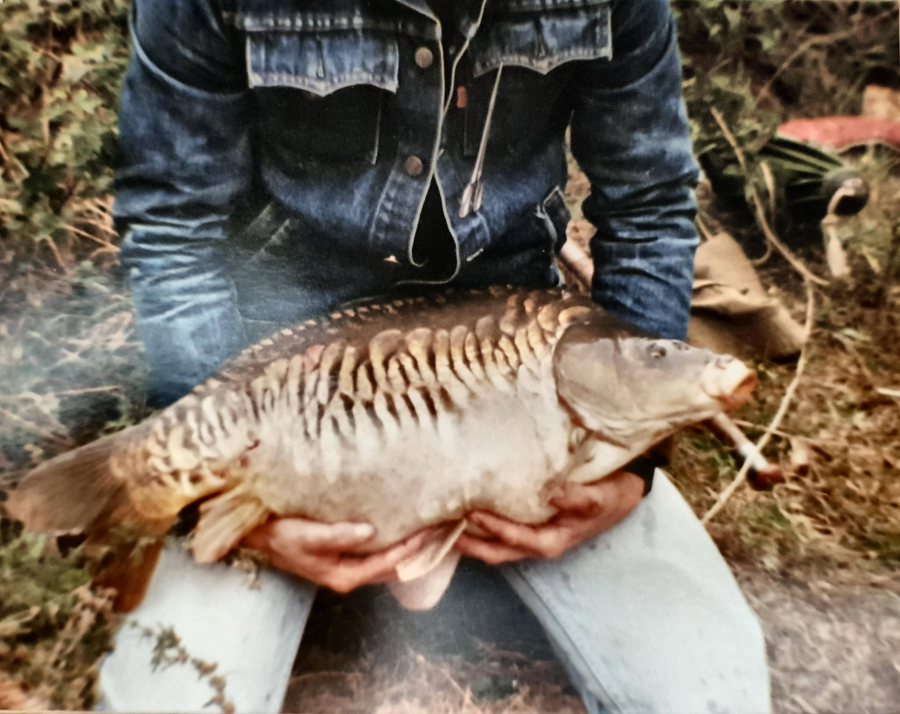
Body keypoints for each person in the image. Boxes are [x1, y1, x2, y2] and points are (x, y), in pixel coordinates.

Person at [100, 0, 771, 711]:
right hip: (286, 379)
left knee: (713, 697)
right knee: (168, 702)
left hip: (516, 358)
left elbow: (649, 206)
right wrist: (227, 488)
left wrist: (635, 461)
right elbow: (172, 226)